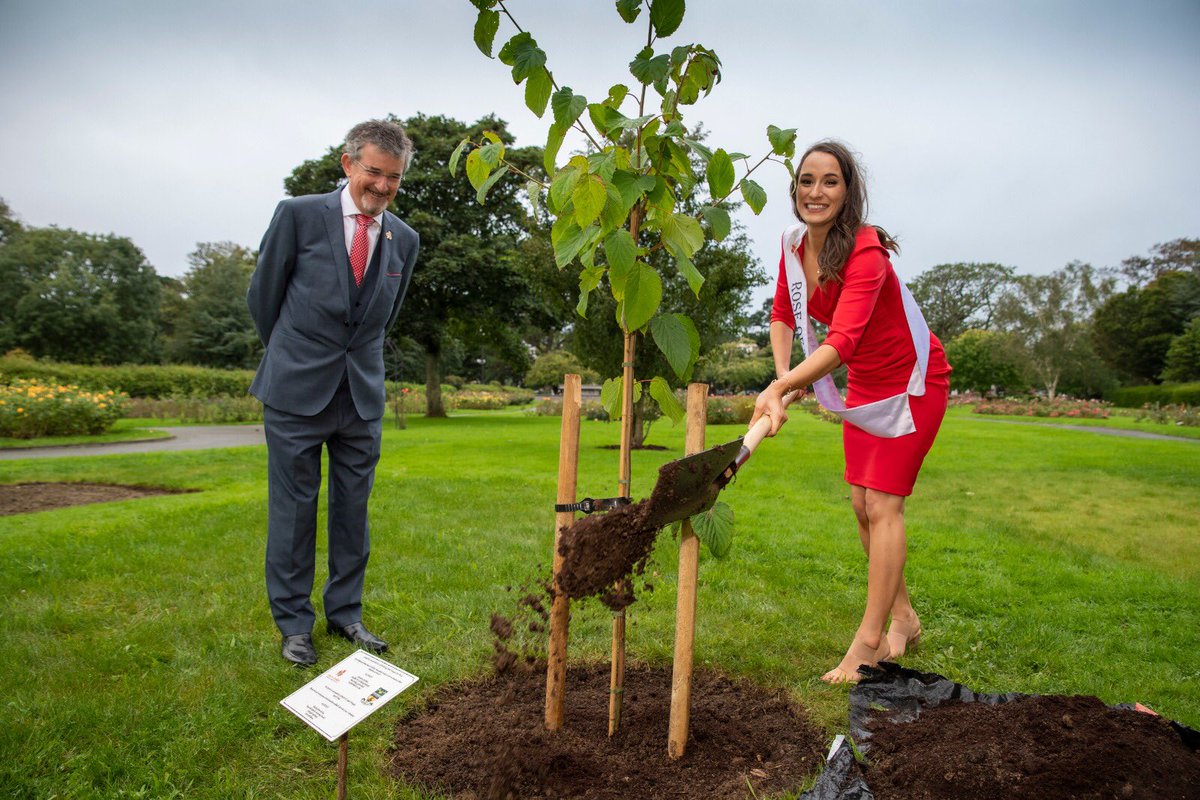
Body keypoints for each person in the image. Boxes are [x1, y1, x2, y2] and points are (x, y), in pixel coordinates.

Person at [749, 140, 951, 684]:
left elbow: (841, 341)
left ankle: (868, 642)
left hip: (912, 382)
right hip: (864, 385)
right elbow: (782, 315)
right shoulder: (793, 246)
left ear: (848, 191)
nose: (816, 192)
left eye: (830, 181)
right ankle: (904, 618)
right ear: (794, 189)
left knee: (883, 503)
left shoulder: (866, 252)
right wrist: (783, 377)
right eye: (806, 180)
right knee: (862, 505)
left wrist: (784, 385)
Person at [247, 119, 420, 666]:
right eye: (374, 172)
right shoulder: (297, 215)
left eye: (394, 178)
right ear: (348, 164)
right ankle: (294, 625)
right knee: (294, 511)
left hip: (361, 397)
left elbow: (385, 316)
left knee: (353, 511)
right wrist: (292, 356)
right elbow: (263, 298)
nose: (383, 186)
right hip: (295, 391)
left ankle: (346, 614)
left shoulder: (404, 239)